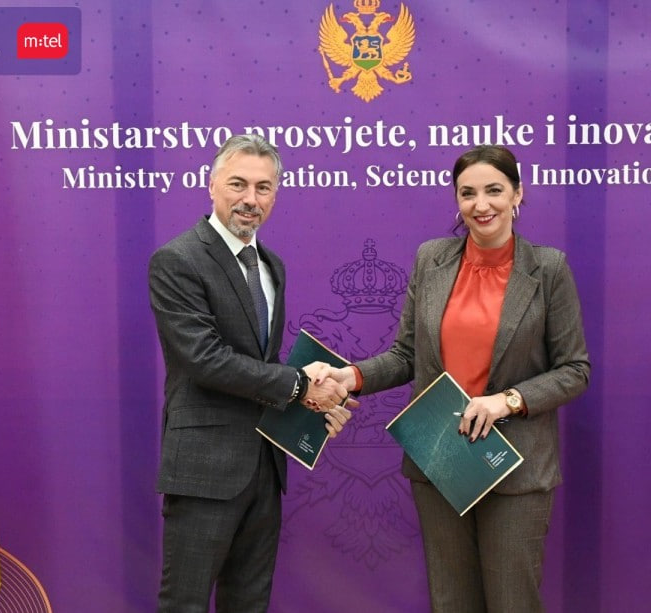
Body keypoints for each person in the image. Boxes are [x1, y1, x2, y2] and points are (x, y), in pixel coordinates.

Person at [320, 145, 590, 612]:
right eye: (468, 193)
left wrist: (507, 400)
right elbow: (407, 355)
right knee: (451, 602)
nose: (481, 204)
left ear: (517, 194)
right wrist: (351, 376)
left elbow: (574, 370)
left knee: (512, 603)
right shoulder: (432, 259)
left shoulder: (548, 269)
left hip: (515, 468)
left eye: (494, 190)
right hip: (440, 458)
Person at [148, 134, 356, 613]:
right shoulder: (177, 260)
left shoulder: (271, 265)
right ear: (211, 185)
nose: (250, 198)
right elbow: (205, 359)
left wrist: (320, 403)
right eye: (238, 184)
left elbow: (260, 366)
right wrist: (301, 385)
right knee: (184, 604)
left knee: (249, 603)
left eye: (264, 188)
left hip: (265, 464)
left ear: (275, 195)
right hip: (204, 469)